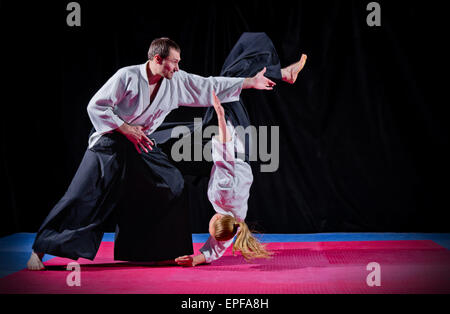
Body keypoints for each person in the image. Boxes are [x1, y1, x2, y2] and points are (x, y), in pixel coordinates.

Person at [27, 37, 277, 270]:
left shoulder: (175, 82)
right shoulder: (127, 76)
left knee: (171, 184)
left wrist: (249, 83)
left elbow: (207, 84)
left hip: (141, 144)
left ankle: (156, 252)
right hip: (110, 141)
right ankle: (39, 250)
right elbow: (96, 106)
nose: (178, 68)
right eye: (175, 62)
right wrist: (125, 129)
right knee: (84, 194)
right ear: (158, 59)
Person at [175, 33, 307, 267]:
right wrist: (221, 115)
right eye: (211, 225)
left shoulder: (236, 220)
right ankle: (281, 73)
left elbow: (218, 245)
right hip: (234, 139)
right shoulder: (223, 196)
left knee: (229, 75)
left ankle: (280, 73)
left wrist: (197, 258)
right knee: (227, 79)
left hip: (243, 148)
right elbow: (225, 156)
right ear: (217, 218)